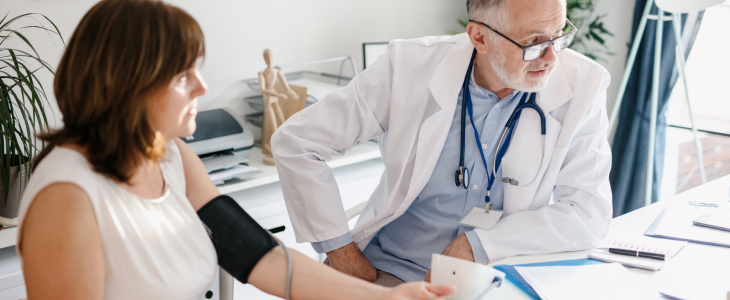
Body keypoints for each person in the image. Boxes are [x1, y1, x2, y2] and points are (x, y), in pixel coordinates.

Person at [16, 1, 455, 299]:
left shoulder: (173, 160)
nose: (203, 87)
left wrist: (386, 297)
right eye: (182, 75)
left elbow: (259, 256)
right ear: (128, 84)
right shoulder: (67, 198)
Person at [272, 0, 613, 286]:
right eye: (535, 42)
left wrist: (478, 245)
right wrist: (343, 255)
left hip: (495, 277)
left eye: (560, 35)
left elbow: (588, 213)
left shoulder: (585, 85)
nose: (553, 57)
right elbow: (298, 142)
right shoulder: (408, 66)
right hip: (391, 274)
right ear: (479, 36)